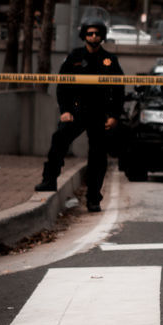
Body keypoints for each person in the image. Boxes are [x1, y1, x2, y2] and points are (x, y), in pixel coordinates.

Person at [34, 13, 124, 211]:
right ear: (84, 35)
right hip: (76, 111)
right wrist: (65, 110)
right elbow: (62, 86)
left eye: (97, 34)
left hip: (100, 113)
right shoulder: (74, 58)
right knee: (59, 141)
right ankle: (49, 180)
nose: (94, 37)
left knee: (98, 157)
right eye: (90, 33)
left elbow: (119, 90)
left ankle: (93, 199)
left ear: (102, 36)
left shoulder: (110, 60)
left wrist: (114, 115)